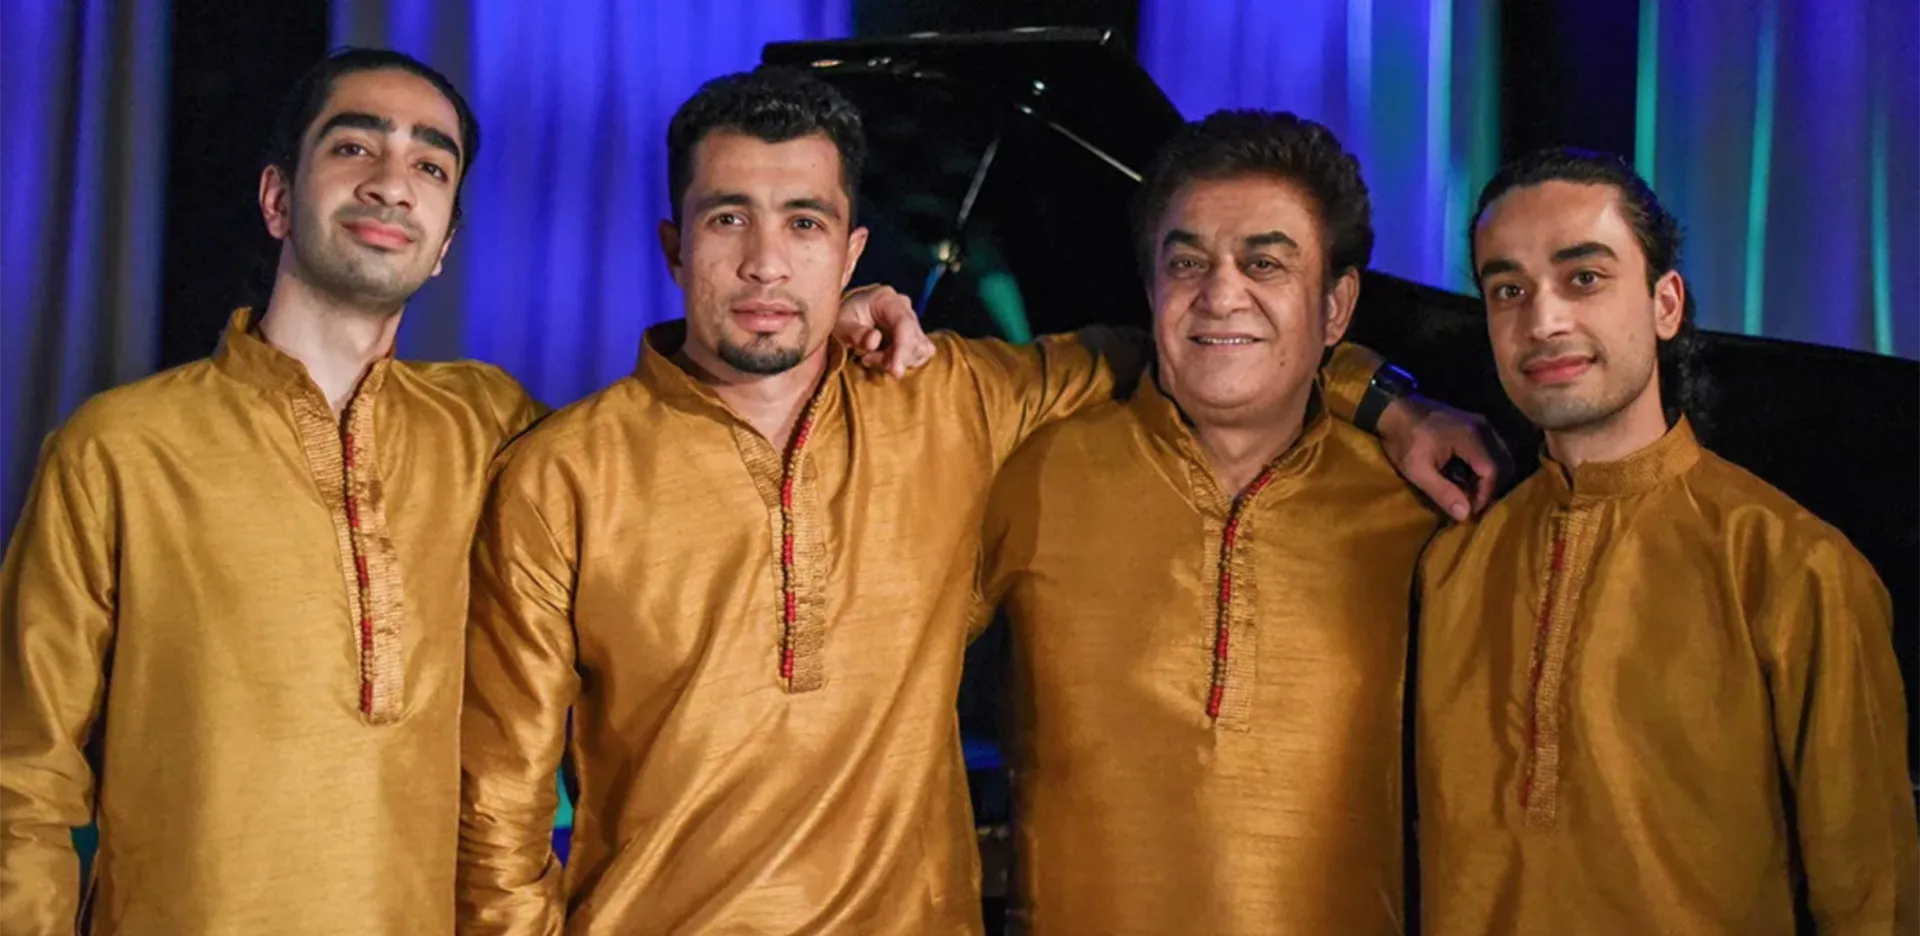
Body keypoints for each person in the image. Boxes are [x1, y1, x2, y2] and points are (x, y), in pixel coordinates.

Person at [456, 69, 1496, 934]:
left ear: (853, 252)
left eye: (805, 223)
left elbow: (1176, 348)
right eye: (729, 218)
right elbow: (497, 816)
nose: (768, 260)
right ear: (674, 246)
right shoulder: (565, 473)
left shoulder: (951, 406)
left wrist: (1374, 393)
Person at [1415, 148, 1918, 935]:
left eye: (1584, 277)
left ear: (1666, 304)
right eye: (1507, 289)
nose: (1542, 321)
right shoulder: (1451, 566)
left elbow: (1873, 901)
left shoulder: (1791, 567)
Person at [971, 109, 1441, 935]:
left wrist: (1378, 398)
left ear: (1336, 308)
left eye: (1265, 261)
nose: (1221, 294)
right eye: (1188, 262)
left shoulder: (1425, 511)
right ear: (1151, 289)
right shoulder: (1031, 475)